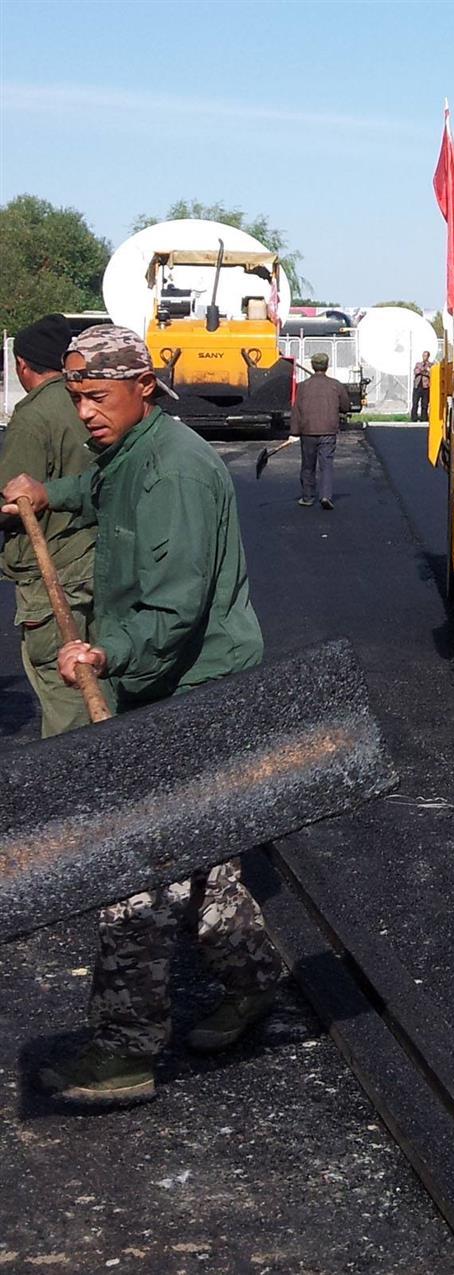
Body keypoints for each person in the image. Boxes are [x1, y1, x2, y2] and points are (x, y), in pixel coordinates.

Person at [1, 324, 280, 1107]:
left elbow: (176, 605)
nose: (85, 412)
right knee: (198, 860)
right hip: (162, 685)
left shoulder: (176, 474)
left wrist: (103, 652)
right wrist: (45, 493)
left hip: (194, 690)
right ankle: (254, 982)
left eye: (97, 397)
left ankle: (122, 1053)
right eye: (77, 397)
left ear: (142, 388)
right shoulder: (130, 455)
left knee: (139, 872)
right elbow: (96, 489)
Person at [0, 314, 95, 737]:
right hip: (97, 559)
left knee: (64, 688)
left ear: (22, 365)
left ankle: (73, 790)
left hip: (53, 570)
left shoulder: (33, 418)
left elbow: (13, 500)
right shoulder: (88, 401)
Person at [292, 352, 350, 510]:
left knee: (308, 465)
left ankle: (308, 497)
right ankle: (325, 496)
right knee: (326, 464)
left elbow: (297, 409)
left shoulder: (303, 386)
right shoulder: (335, 385)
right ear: (327, 365)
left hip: (308, 430)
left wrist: (294, 431)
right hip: (328, 430)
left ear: (312, 365)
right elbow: (346, 406)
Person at [411, 350, 432, 422]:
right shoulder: (418, 364)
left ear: (428, 357)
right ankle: (414, 418)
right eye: (423, 356)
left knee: (425, 403)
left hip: (425, 386)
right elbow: (416, 371)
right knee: (415, 402)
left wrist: (423, 371)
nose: (424, 357)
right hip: (417, 386)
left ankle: (424, 418)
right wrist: (424, 371)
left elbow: (430, 373)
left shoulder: (431, 365)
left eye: (426, 356)